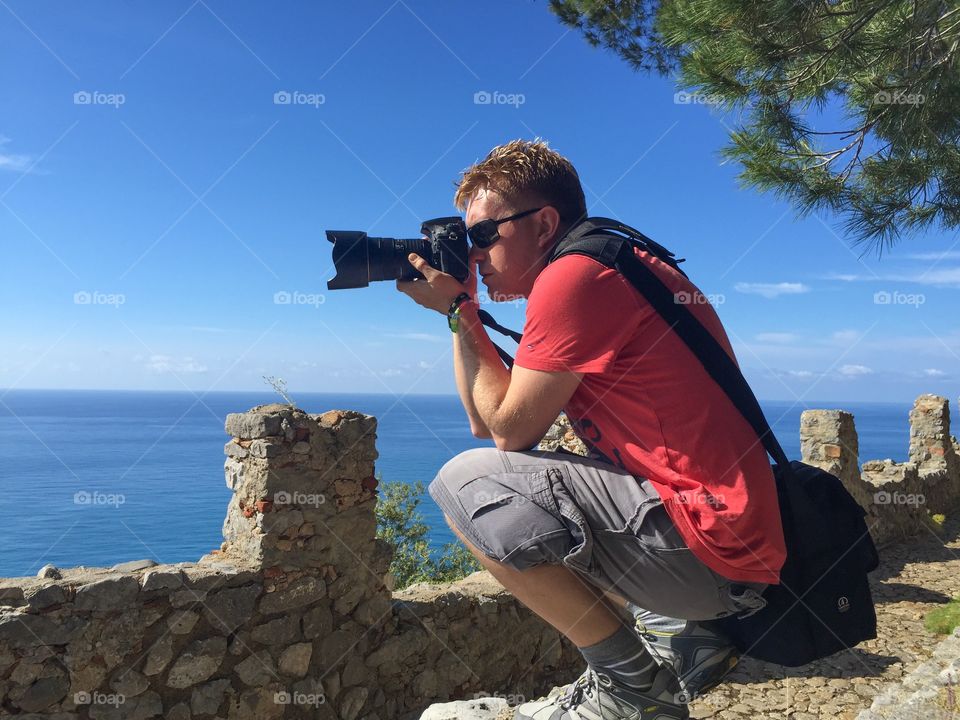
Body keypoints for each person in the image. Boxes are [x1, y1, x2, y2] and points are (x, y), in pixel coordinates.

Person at [396, 139, 786, 720]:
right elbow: (485, 417)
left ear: (544, 223)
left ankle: (633, 688)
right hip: (733, 547)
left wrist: (461, 310)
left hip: (709, 555)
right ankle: (686, 634)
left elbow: (506, 434)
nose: (472, 255)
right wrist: (462, 311)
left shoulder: (574, 278)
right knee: (514, 477)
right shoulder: (611, 259)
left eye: (482, 235)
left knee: (464, 483)